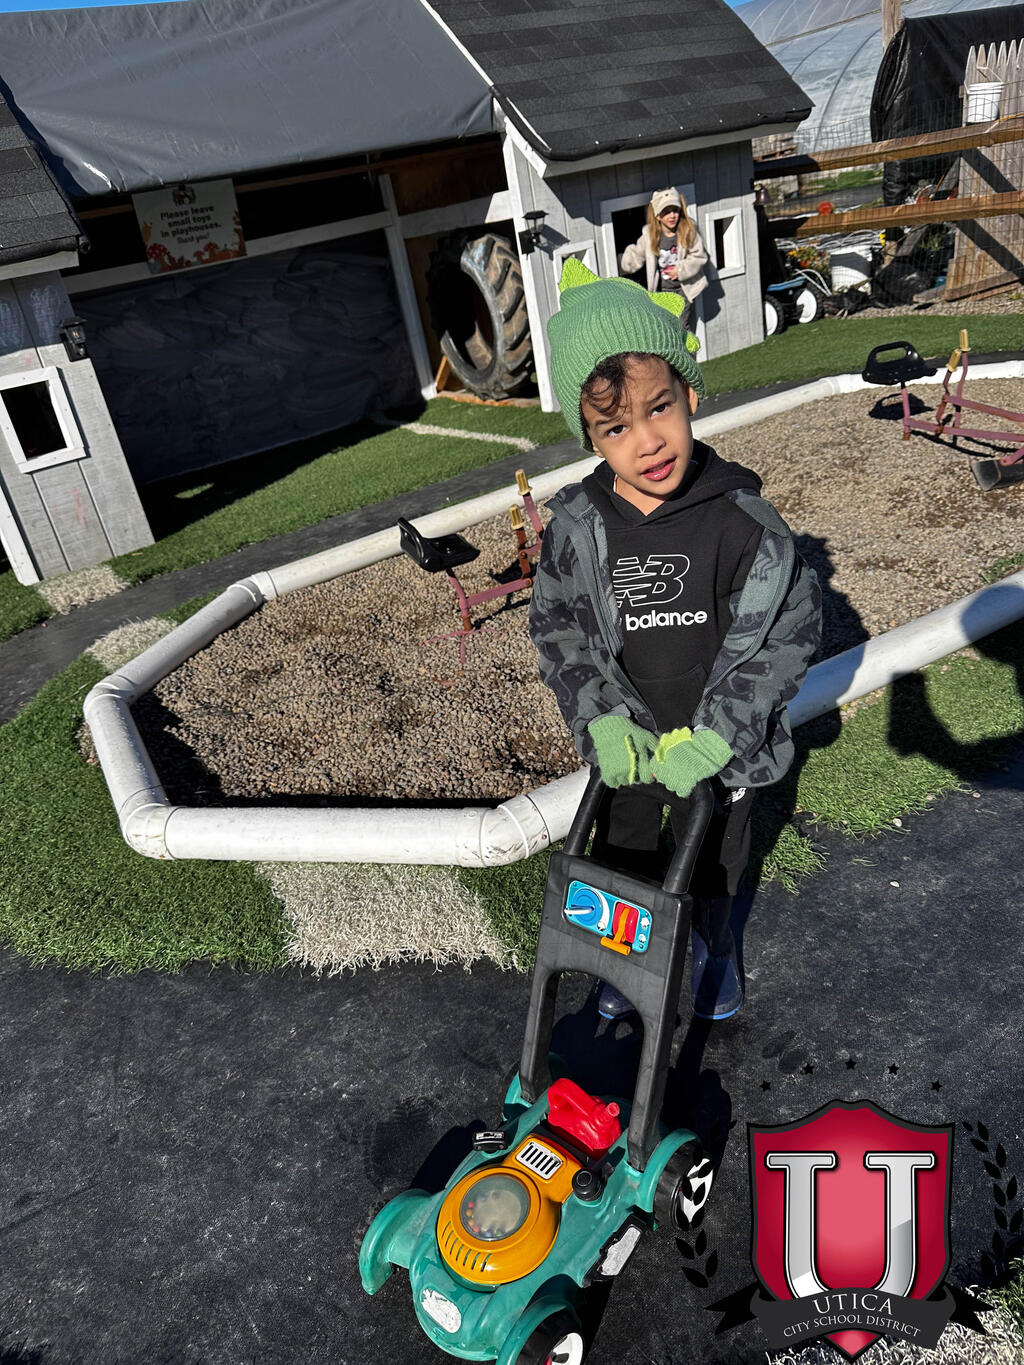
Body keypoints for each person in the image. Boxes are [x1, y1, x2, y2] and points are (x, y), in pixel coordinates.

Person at [528, 259, 821, 1022]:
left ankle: (713, 949)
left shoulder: (742, 522)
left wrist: (722, 734)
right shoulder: (578, 529)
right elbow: (558, 628)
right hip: (632, 746)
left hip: (719, 752)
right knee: (623, 859)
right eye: (616, 427)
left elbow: (788, 633)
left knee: (718, 865)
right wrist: (599, 717)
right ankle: (625, 963)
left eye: (659, 407)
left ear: (690, 393)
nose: (648, 441)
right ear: (591, 438)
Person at [619, 188, 709, 332]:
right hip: (661, 291)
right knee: (665, 327)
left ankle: (687, 347)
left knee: (682, 326)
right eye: (666, 212)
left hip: (682, 290)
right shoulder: (650, 236)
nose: (672, 216)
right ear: (658, 216)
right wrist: (626, 264)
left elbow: (699, 256)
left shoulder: (687, 231)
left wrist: (680, 270)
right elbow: (637, 253)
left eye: (675, 211)